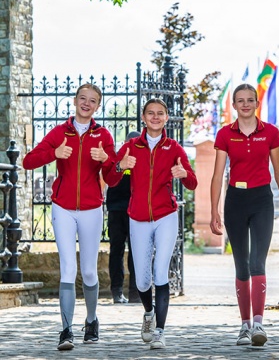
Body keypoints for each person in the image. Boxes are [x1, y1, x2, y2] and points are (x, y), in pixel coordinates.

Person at [23, 84, 117, 351]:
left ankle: (91, 320)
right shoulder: (59, 132)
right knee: (68, 268)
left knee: (88, 271)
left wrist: (106, 159)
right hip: (62, 207)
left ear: (98, 106)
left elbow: (113, 178)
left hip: (91, 209)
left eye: (93, 101)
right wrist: (53, 153)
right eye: (83, 99)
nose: (87, 103)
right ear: (75, 101)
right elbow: (28, 161)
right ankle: (66, 331)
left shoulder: (104, 136)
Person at [105, 98, 197, 350]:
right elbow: (110, 179)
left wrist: (184, 175)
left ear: (166, 118)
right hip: (137, 217)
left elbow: (193, 183)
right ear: (143, 118)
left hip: (165, 216)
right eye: (150, 113)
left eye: (160, 113)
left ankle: (159, 331)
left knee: (160, 274)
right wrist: (120, 166)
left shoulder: (175, 148)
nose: (155, 117)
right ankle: (148, 313)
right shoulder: (130, 146)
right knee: (142, 281)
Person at [210, 83, 279, 347]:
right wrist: (213, 210)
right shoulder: (225, 134)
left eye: (250, 100)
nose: (245, 104)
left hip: (262, 200)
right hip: (235, 201)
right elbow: (217, 176)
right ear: (234, 105)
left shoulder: (270, 132)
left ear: (257, 104)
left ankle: (259, 324)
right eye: (240, 100)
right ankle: (244, 326)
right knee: (241, 265)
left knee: (258, 262)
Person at [106, 130, 141, 304]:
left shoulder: (142, 158)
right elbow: (108, 178)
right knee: (117, 251)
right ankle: (117, 291)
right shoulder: (116, 158)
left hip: (135, 211)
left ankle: (134, 292)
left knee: (136, 253)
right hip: (117, 209)